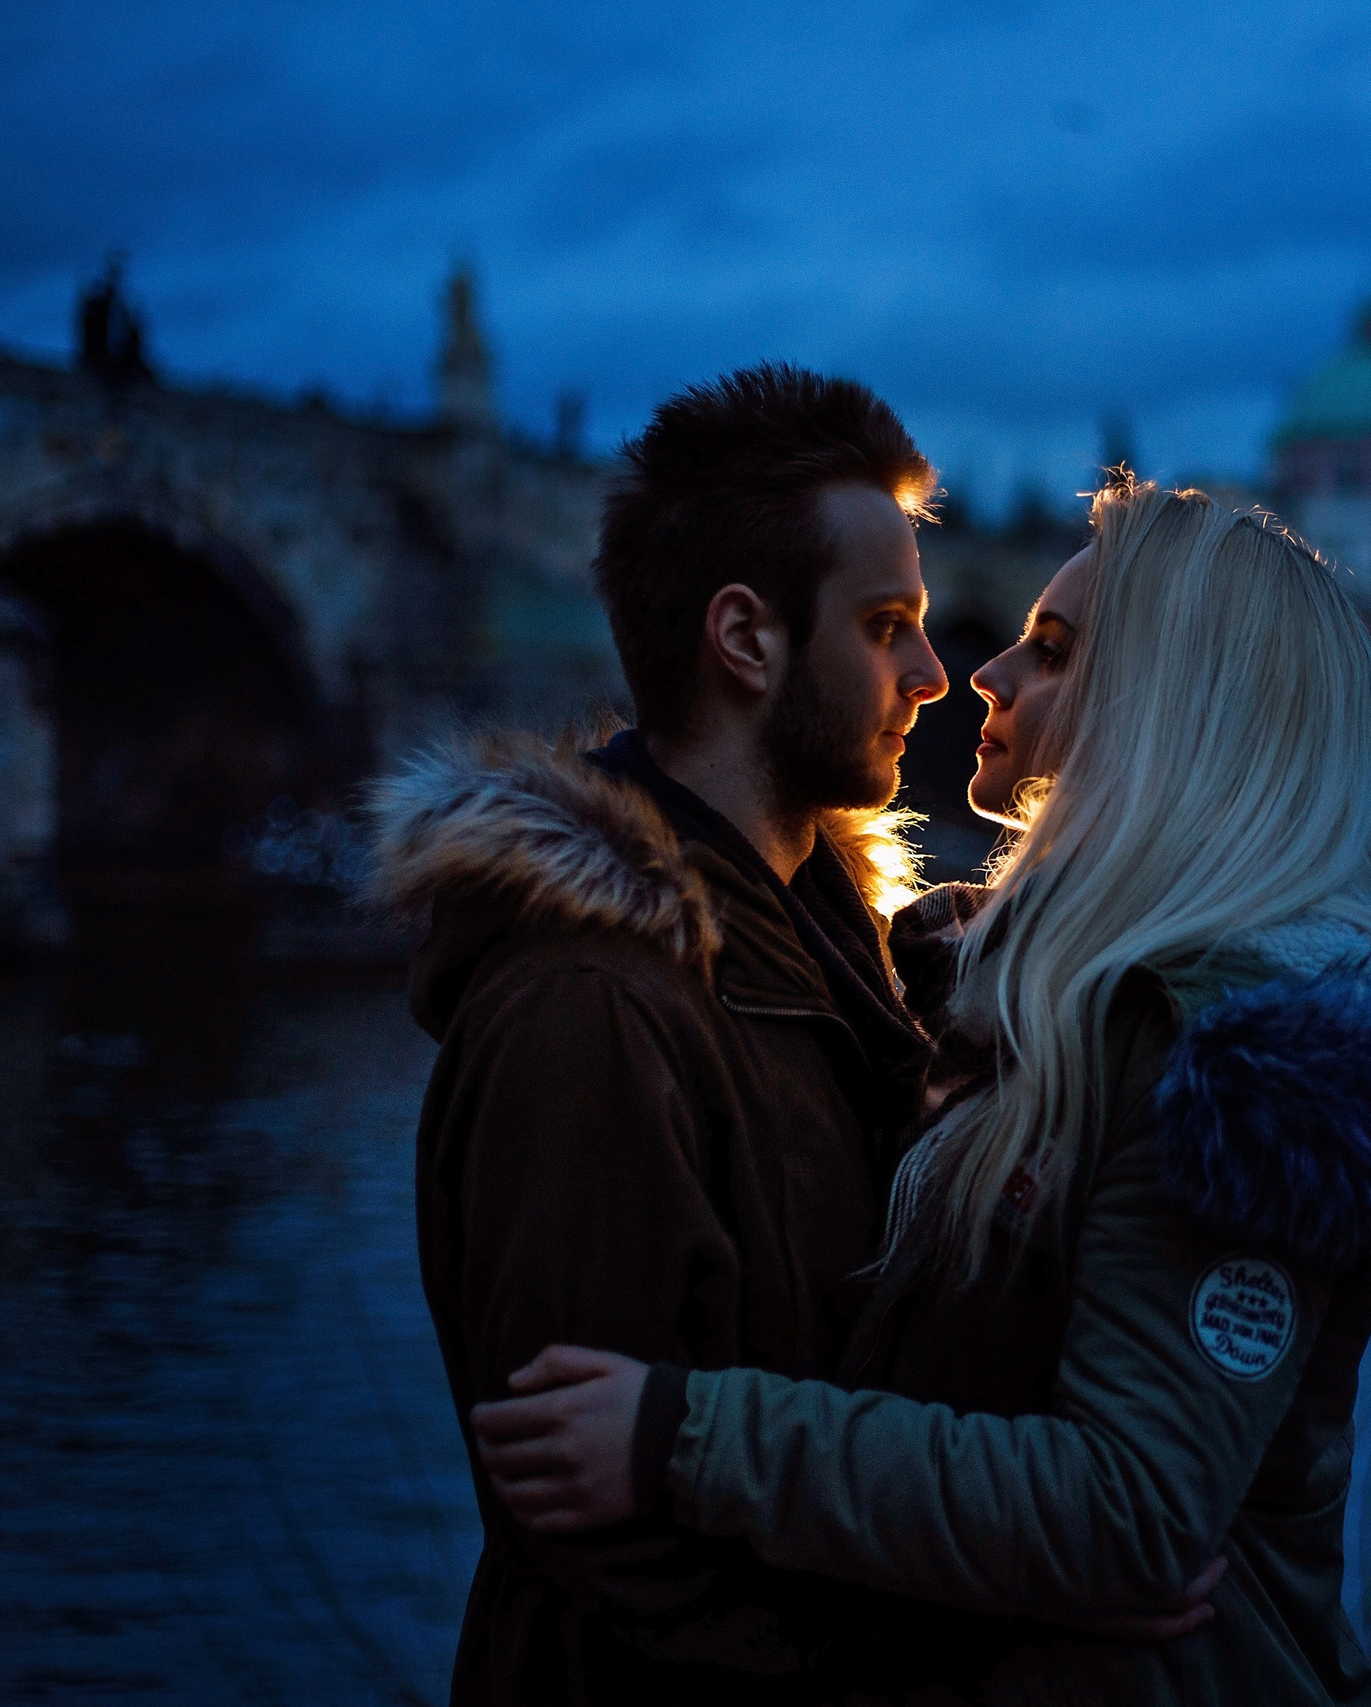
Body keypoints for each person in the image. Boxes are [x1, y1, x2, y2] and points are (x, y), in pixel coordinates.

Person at [469, 477, 1371, 1704]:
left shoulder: (1230, 1063)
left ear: (1176, 711)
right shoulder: (1025, 1008)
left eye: (1051, 651)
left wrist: (686, 1436)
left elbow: (1129, 1517)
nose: (981, 675)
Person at [364, 363, 954, 1704]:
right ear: (745, 640)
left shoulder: (828, 953)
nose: (931, 671)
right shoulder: (592, 1013)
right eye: (885, 625)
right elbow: (600, 1534)